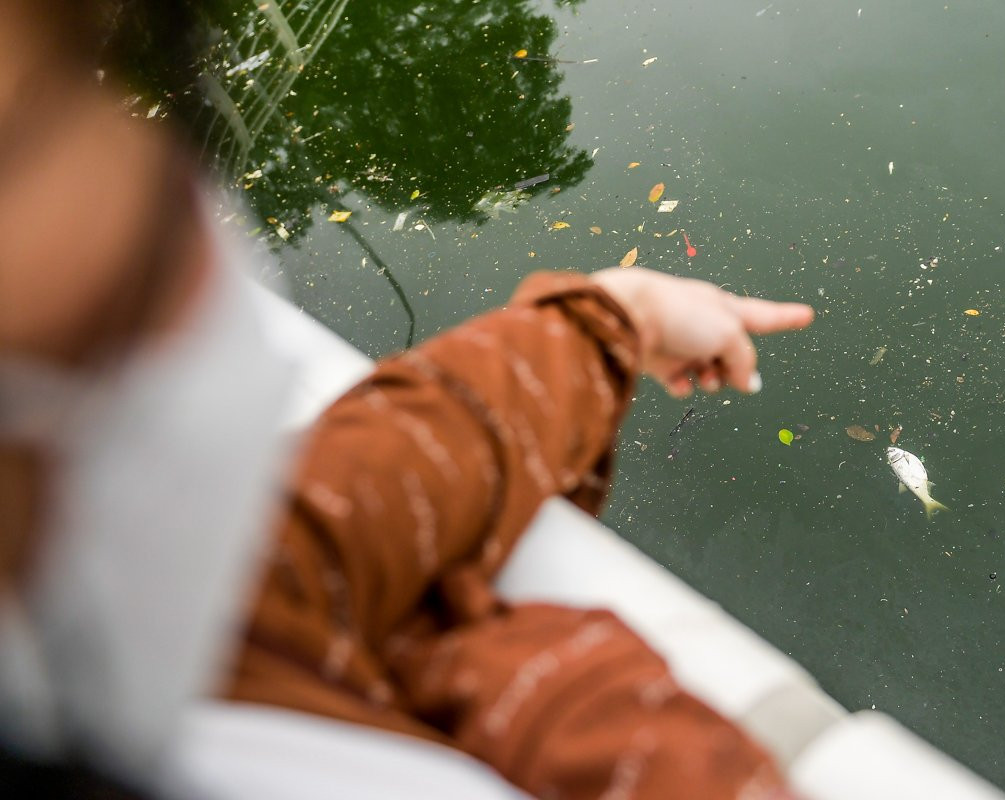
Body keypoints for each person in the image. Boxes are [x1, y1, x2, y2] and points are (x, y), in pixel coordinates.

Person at [0, 1, 815, 797]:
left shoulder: (141, 626)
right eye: (40, 117)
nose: (142, 147)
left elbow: (370, 486)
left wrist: (613, 321)